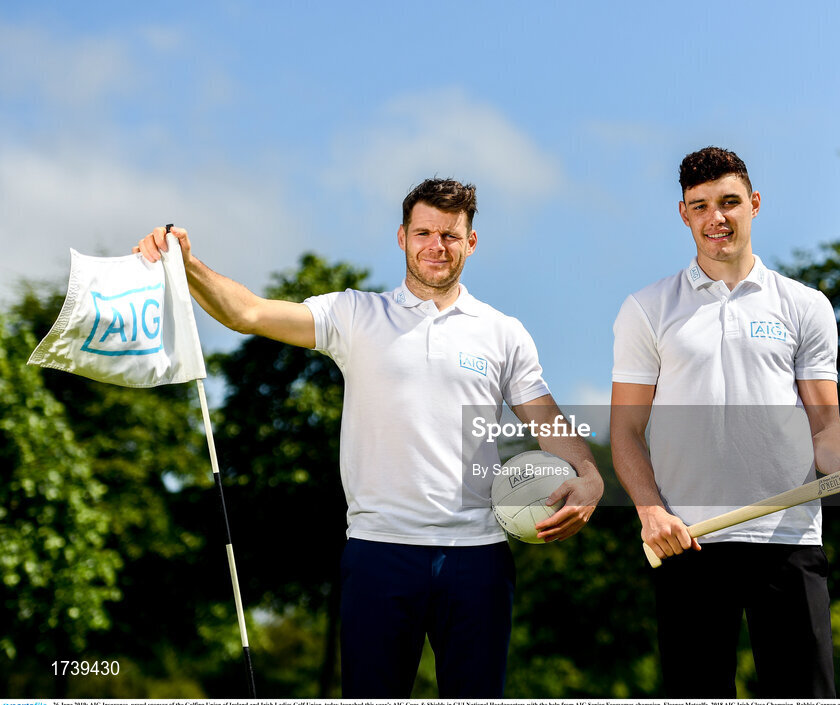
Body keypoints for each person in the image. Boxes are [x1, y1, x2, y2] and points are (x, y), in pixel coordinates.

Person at [135, 178, 603, 698]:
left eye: (450, 235)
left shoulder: (502, 332)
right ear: (402, 237)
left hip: (478, 557)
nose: (436, 246)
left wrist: (590, 477)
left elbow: (546, 420)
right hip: (380, 552)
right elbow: (247, 313)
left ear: (471, 242)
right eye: (424, 232)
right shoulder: (355, 314)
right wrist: (187, 264)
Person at [609, 147, 840, 698]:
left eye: (730, 202)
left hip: (789, 538)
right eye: (702, 206)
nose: (717, 217)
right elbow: (624, 433)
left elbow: (826, 431)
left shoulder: (805, 306)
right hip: (689, 543)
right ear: (684, 214)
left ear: (754, 205)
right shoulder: (646, 309)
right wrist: (649, 511)